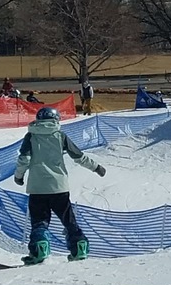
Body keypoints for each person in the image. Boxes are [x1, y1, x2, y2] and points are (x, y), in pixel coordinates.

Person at [13, 105, 106, 264]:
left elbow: (25, 159)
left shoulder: (30, 136)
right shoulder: (60, 136)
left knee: (40, 222)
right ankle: (79, 248)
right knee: (69, 220)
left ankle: (39, 250)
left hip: (37, 188)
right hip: (59, 187)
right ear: (56, 120)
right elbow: (79, 156)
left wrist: (19, 176)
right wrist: (96, 167)